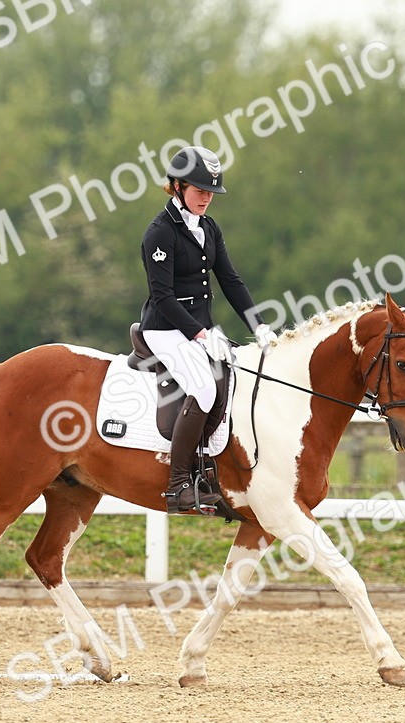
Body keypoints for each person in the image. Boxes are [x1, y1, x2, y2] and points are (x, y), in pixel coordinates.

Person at [139, 145, 277, 513]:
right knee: (202, 388)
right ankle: (178, 484)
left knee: (233, 381)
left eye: (210, 193)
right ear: (177, 186)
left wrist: (259, 326)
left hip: (199, 329)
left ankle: (211, 469)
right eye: (200, 191)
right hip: (166, 329)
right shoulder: (160, 233)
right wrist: (200, 333)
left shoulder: (209, 228)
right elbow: (163, 296)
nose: (206, 199)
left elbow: (230, 280)